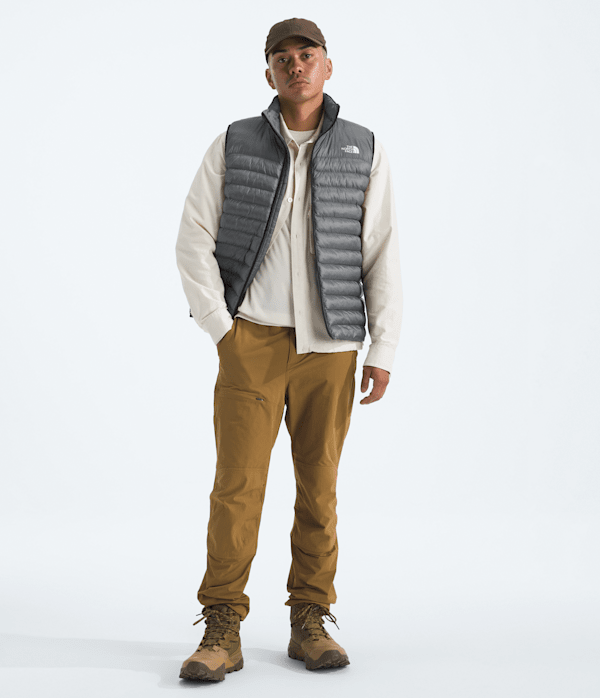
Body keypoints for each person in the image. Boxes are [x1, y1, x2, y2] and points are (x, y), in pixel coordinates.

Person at [175, 17, 403, 682]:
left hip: (332, 347)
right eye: (282, 57)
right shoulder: (235, 142)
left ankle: (311, 619)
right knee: (236, 488)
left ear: (328, 65)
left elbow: (381, 249)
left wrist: (383, 346)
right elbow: (193, 235)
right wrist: (221, 327)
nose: (296, 65)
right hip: (252, 339)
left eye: (307, 55)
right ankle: (222, 625)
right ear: (269, 72)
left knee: (319, 489)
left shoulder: (363, 148)